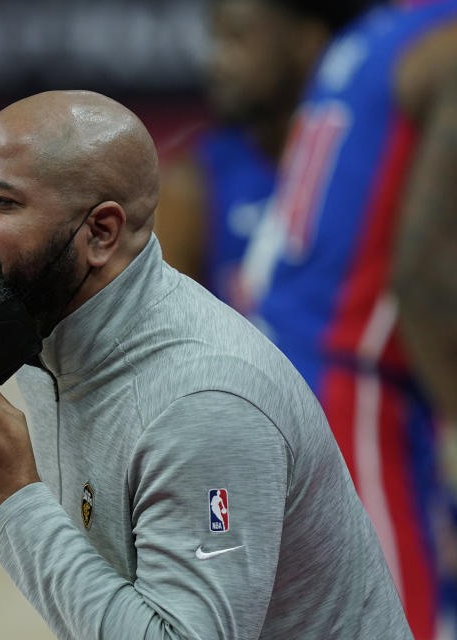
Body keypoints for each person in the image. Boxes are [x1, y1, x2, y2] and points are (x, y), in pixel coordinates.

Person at [0, 90, 411, 639]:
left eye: (1, 201)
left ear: (100, 233)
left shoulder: (204, 406)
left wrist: (14, 497)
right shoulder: (48, 325)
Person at [236, 2, 457, 636]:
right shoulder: (445, 52)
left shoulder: (377, 33)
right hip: (343, 387)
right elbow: (426, 277)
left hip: (283, 360)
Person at [156, 0, 338, 306]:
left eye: (237, 37)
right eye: (215, 38)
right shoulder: (193, 182)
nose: (216, 61)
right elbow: (162, 328)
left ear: (307, 41)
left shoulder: (363, 166)